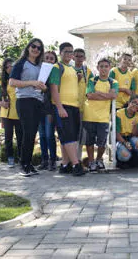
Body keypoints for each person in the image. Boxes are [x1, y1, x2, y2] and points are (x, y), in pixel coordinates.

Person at [9, 39, 47, 177]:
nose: (36, 49)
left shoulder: (41, 66)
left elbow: (43, 85)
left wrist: (43, 87)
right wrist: (32, 83)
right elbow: (12, 82)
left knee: (32, 134)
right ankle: (23, 164)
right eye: (33, 46)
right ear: (28, 47)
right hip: (24, 101)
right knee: (27, 133)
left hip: (37, 101)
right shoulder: (21, 63)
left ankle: (29, 163)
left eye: (39, 47)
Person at [49, 42, 84, 176]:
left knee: (68, 137)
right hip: (63, 106)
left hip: (74, 106)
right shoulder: (56, 67)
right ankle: (76, 164)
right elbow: (53, 88)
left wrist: (78, 78)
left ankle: (65, 164)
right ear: (60, 53)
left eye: (71, 52)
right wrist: (59, 107)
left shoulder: (72, 69)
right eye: (66, 51)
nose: (69, 54)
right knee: (68, 136)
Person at [83, 58, 118, 173]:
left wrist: (98, 93)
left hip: (103, 117)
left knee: (102, 142)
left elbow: (113, 95)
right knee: (89, 141)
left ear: (109, 68)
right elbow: (90, 95)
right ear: (98, 68)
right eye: (101, 66)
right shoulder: (92, 80)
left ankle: (99, 160)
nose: (103, 68)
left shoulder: (113, 82)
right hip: (90, 115)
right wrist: (106, 95)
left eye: (106, 66)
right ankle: (92, 162)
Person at [0, 58, 21, 168]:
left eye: (13, 66)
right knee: (8, 138)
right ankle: (10, 159)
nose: (12, 68)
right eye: (9, 66)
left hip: (19, 113)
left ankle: (21, 158)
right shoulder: (1, 82)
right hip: (7, 114)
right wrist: (0, 103)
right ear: (5, 69)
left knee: (21, 138)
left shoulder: (20, 79)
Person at [37, 51, 58, 171]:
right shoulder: (39, 73)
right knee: (42, 135)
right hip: (39, 109)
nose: (49, 60)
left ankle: (53, 160)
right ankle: (44, 160)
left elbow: (54, 94)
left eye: (52, 59)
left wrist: (46, 90)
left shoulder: (55, 73)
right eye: (47, 58)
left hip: (50, 109)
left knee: (50, 135)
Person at [115, 95, 138, 168]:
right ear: (129, 102)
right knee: (125, 155)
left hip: (131, 137)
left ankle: (136, 159)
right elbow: (117, 133)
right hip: (121, 139)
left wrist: (135, 126)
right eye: (134, 102)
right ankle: (124, 160)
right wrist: (125, 143)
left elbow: (134, 134)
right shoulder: (119, 113)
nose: (136, 105)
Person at [73, 48, 92, 161]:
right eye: (76, 56)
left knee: (81, 135)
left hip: (84, 108)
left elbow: (91, 86)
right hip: (71, 106)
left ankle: (78, 159)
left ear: (84, 58)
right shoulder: (69, 69)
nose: (79, 58)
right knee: (72, 134)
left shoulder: (87, 71)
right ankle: (71, 159)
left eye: (81, 56)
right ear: (73, 57)